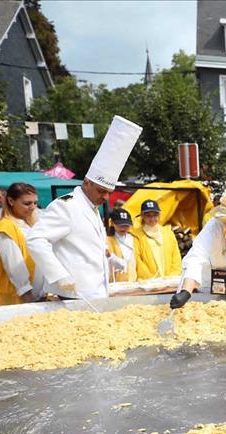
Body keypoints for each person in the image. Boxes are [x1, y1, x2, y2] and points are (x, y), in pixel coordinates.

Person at [28, 115, 143, 300]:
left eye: (109, 193)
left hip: (96, 294)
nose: (105, 197)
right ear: (87, 183)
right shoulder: (66, 206)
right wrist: (59, 276)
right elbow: (35, 239)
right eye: (101, 191)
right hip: (73, 295)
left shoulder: (92, 207)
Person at [0, 182, 41, 306]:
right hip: (14, 299)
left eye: (35, 203)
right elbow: (14, 266)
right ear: (11, 201)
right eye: (27, 203)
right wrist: (27, 295)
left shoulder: (27, 224)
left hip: (33, 294)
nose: (33, 207)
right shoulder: (6, 229)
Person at [131, 199, 182, 280]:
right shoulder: (137, 236)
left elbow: (176, 256)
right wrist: (151, 279)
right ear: (142, 216)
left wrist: (173, 276)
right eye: (148, 215)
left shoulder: (168, 233)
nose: (152, 219)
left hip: (170, 281)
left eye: (155, 215)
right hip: (148, 283)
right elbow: (138, 261)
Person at [105, 208, 137, 282]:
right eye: (120, 225)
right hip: (116, 284)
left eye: (126, 225)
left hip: (135, 282)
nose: (123, 228)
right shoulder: (107, 240)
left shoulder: (134, 239)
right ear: (112, 223)